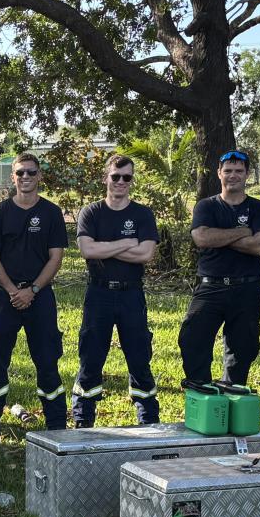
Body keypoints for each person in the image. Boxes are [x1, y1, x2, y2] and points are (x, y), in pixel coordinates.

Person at [0, 153, 69, 435]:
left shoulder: (51, 212)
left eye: (31, 172)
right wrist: (12, 290)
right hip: (6, 296)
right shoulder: (0, 212)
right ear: (12, 177)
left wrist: (33, 290)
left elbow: (56, 258)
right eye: (20, 173)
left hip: (40, 296)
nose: (25, 177)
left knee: (47, 359)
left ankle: (56, 424)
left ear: (39, 176)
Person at [72, 153, 160, 426]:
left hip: (131, 294)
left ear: (132, 180)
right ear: (106, 178)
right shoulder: (91, 212)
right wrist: (127, 242)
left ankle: (148, 421)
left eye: (127, 177)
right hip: (98, 294)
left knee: (139, 356)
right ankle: (83, 420)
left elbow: (146, 254)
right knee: (91, 357)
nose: (121, 181)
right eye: (116, 176)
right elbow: (87, 250)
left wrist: (105, 247)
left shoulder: (142, 214)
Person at [178, 149, 260, 387]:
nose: (233, 175)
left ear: (247, 174)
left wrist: (219, 237)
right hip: (211, 286)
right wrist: (243, 232)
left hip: (247, 288)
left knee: (243, 348)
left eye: (238, 171)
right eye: (228, 170)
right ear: (219, 173)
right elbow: (201, 238)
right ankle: (201, 390)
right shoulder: (206, 206)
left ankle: (232, 390)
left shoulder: (259, 208)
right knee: (192, 339)